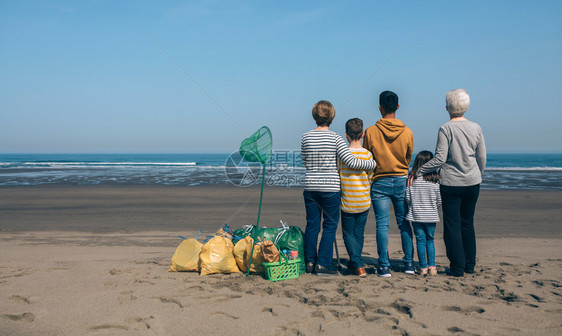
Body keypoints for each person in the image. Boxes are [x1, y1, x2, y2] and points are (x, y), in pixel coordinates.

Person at [302, 101, 376, 276]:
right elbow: (350, 161)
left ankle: (310, 261)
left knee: (312, 225)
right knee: (329, 225)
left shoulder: (306, 137)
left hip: (311, 185)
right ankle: (323, 264)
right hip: (330, 188)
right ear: (332, 117)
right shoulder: (336, 138)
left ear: (314, 116)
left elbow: (306, 161)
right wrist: (372, 163)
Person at [417, 88, 486, 277]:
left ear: (448, 107)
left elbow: (440, 159)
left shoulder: (446, 128)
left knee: (452, 226)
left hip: (451, 183)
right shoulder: (476, 127)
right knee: (467, 223)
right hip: (473, 182)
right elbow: (481, 157)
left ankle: (457, 267)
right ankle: (469, 265)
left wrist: (419, 170)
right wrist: (476, 174)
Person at [363, 90, 414, 277]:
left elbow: (367, 157)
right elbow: (408, 157)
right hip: (401, 179)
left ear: (379, 107)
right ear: (398, 107)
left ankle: (384, 266)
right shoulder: (407, 132)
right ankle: (409, 263)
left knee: (382, 225)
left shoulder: (370, 132)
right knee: (404, 223)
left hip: (379, 180)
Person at [338, 118, 374, 277]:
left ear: (346, 135)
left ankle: (358, 264)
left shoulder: (342, 156)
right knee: (358, 233)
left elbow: (338, 175)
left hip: (347, 200)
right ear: (363, 134)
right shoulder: (367, 155)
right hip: (364, 199)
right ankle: (354, 264)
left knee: (347, 234)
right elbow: (370, 177)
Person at [406, 151, 441, 276]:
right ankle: (432, 267)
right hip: (431, 216)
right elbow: (438, 200)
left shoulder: (412, 180)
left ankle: (423, 268)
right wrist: (432, 208)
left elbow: (408, 198)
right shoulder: (435, 180)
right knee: (430, 240)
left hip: (416, 216)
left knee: (420, 240)